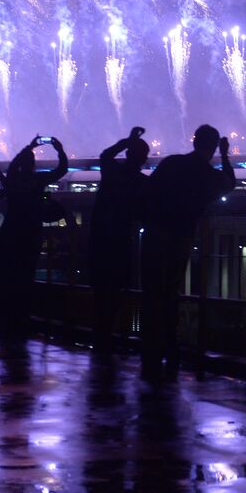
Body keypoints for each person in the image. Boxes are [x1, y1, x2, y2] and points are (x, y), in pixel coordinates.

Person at [141, 125, 235, 379]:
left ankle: (148, 346)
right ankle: (169, 346)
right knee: (170, 290)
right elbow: (229, 183)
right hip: (180, 236)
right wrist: (225, 156)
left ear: (194, 141)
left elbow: (147, 192)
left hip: (153, 233)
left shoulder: (171, 163)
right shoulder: (206, 174)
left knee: (150, 290)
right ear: (214, 146)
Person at [0, 135, 68, 333]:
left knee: (7, 276)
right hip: (32, 233)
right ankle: (22, 317)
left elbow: (12, 166)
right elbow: (62, 170)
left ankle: (5, 317)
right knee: (26, 276)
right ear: (34, 164)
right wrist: (59, 149)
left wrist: (29, 146)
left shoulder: (13, 179)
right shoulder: (39, 179)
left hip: (10, 232)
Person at [89, 127, 151, 349]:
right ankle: (110, 334)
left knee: (100, 289)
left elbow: (105, 155)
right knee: (115, 290)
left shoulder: (112, 171)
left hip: (99, 235)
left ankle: (100, 334)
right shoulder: (142, 182)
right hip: (121, 239)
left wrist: (129, 140)